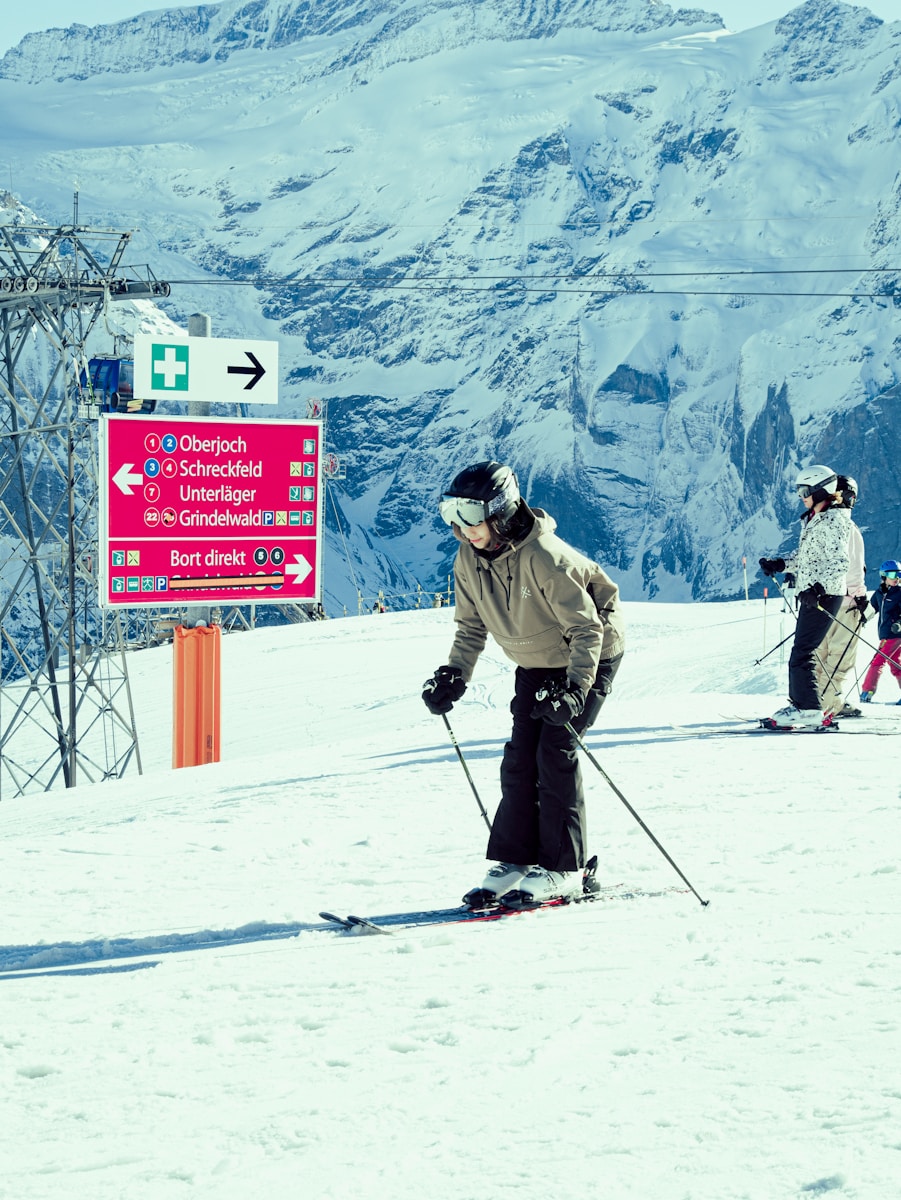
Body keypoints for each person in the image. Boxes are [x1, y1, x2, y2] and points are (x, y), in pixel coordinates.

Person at [421, 461, 625, 905]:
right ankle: (518, 860)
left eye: (472, 515)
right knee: (519, 760)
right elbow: (471, 627)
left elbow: (588, 631)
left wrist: (574, 690)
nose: (462, 526)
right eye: (452, 513)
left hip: (586, 656)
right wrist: (454, 676)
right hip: (536, 661)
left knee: (555, 753)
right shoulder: (468, 559)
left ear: (502, 511)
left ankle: (564, 868)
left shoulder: (546, 558)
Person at [759, 465, 851, 729]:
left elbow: (839, 563)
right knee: (802, 651)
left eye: (805, 490)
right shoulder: (815, 517)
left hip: (824, 595)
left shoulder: (835, 520)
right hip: (813, 594)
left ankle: (809, 709)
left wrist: (818, 589)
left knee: (802, 652)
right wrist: (779, 564)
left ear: (820, 489)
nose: (801, 495)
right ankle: (801, 705)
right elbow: (806, 558)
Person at [814, 475, 868, 717]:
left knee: (820, 655)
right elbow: (853, 567)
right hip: (846, 603)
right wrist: (859, 597)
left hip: (823, 602)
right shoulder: (847, 527)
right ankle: (827, 705)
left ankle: (818, 700)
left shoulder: (820, 524)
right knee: (840, 656)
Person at [859, 560, 901, 703]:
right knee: (894, 663)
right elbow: (872, 609)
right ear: (884, 575)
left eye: (899, 574)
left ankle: (867, 691)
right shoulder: (879, 593)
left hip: (895, 634)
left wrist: (899, 624)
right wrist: (862, 619)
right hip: (886, 634)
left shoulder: (899, 592)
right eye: (893, 574)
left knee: (878, 661)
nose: (897, 577)